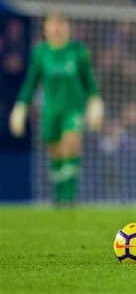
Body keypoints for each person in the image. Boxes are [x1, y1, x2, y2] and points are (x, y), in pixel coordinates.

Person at [9, 14, 104, 205]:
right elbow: (31, 82)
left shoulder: (78, 51)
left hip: (73, 109)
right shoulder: (40, 53)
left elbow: (89, 80)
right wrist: (20, 107)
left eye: (60, 23)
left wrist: (95, 102)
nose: (56, 28)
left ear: (68, 27)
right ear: (45, 28)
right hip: (51, 112)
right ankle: (60, 198)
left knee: (71, 142)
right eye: (51, 24)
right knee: (56, 153)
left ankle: (69, 198)